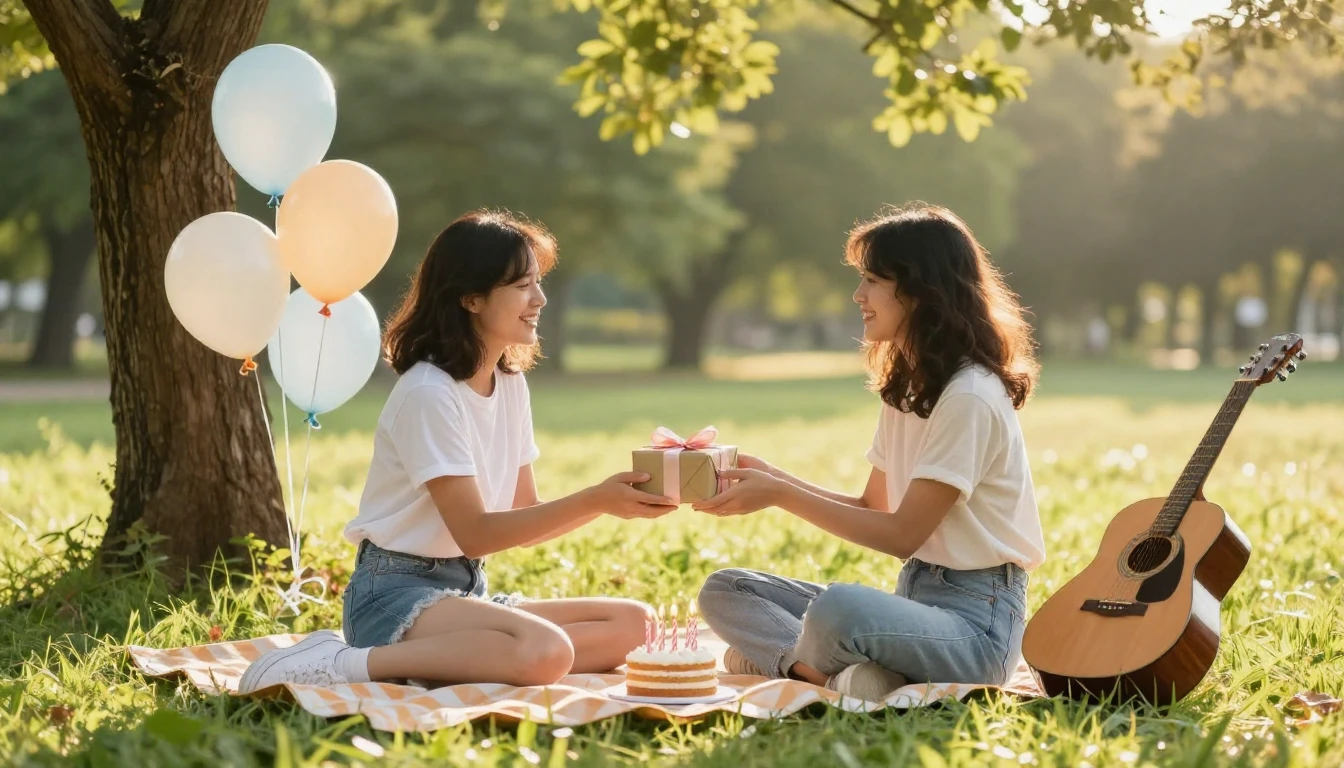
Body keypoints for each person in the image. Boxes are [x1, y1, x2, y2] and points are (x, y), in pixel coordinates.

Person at [240, 211, 676, 693]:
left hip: (465, 589)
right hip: (393, 592)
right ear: (470, 298)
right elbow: (475, 533)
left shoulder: (510, 383)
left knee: (637, 624)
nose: (540, 298)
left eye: (538, 282)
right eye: (522, 285)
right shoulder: (429, 393)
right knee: (547, 652)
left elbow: (523, 513)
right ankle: (344, 662)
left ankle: (464, 658)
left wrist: (618, 504)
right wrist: (595, 498)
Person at [693, 204, 1046, 701]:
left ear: (922, 291)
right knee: (727, 589)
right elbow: (871, 507)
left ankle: (789, 663)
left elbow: (903, 534)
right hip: (914, 601)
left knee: (840, 611)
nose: (858, 295)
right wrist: (774, 477)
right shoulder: (909, 389)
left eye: (873, 280)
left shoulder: (968, 395)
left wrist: (779, 496)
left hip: (977, 631)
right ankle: (831, 674)